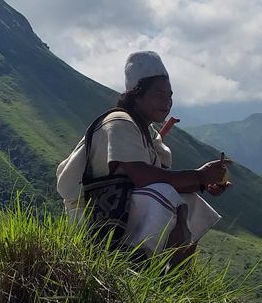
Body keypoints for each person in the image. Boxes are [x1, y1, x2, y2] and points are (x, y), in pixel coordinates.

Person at [56, 51, 233, 266]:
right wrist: (198, 175)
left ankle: (178, 277)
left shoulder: (149, 134)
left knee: (190, 201)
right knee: (164, 193)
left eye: (169, 95)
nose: (167, 102)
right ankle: (151, 269)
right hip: (91, 214)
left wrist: (203, 182)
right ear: (137, 96)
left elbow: (159, 178)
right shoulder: (118, 122)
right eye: (159, 94)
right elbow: (143, 178)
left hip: (122, 206)